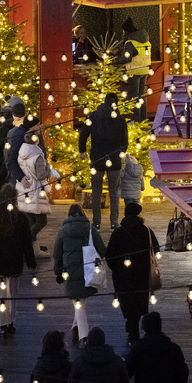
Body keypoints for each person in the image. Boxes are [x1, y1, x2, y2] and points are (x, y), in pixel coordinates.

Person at [0, 184, 35, 338]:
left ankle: (2, 325)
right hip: (14, 265)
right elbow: (27, 244)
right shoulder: (21, 219)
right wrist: (31, 263)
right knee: (11, 295)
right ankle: (10, 322)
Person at [105, 202, 160, 346]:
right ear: (138, 214)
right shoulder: (146, 231)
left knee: (128, 305)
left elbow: (109, 255)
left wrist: (117, 269)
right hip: (142, 275)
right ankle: (134, 332)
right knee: (139, 303)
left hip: (123, 277)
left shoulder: (118, 232)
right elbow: (156, 250)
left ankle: (132, 332)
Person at [54, 203, 108, 344]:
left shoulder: (63, 231)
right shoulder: (90, 230)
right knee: (79, 302)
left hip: (70, 272)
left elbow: (57, 255)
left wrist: (58, 272)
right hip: (88, 271)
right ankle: (80, 332)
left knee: (78, 301)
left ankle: (80, 333)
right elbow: (102, 250)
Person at [79, 93, 129, 231]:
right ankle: (114, 223)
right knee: (114, 192)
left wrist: (82, 150)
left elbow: (83, 133)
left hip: (97, 159)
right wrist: (121, 152)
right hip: (114, 159)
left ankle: (96, 223)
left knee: (96, 191)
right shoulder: (120, 119)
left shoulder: (94, 116)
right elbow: (125, 141)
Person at [16, 120, 55, 250]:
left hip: (26, 190)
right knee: (41, 221)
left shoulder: (23, 150)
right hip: (36, 190)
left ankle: (33, 248)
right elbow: (40, 175)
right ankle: (25, 243)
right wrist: (48, 168)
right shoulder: (37, 155)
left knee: (31, 220)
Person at [121, 18, 152, 122]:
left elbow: (127, 57)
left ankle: (136, 119)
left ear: (126, 30)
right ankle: (143, 119)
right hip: (144, 70)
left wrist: (113, 60)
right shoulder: (145, 39)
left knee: (134, 97)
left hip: (133, 72)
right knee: (141, 96)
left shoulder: (130, 42)